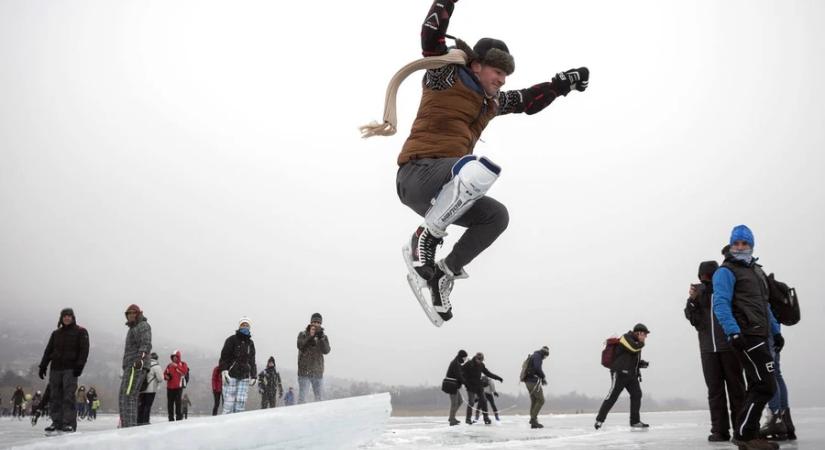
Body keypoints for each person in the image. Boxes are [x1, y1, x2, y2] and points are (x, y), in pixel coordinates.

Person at [374, 0, 588, 323]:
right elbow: (430, 37)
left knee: (497, 216)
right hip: (418, 174)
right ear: (478, 65)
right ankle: (425, 238)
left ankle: (445, 273)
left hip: (447, 193)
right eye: (498, 72)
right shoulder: (445, 75)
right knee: (476, 169)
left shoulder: (491, 103)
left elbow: (527, 101)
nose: (502, 80)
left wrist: (563, 84)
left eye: (506, 75)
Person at [713, 225, 783, 450]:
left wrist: (776, 331)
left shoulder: (756, 271)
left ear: (751, 245)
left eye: (745, 243)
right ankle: (744, 436)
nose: (740, 247)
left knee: (757, 384)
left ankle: (749, 434)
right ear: (731, 245)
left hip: (761, 334)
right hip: (745, 335)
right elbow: (720, 303)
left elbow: (765, 305)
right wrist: (732, 331)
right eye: (737, 243)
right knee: (765, 385)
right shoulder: (726, 271)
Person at [685, 260, 746, 442]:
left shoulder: (725, 289)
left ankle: (741, 428)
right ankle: (719, 430)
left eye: (709, 275)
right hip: (707, 349)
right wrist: (692, 302)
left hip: (729, 347)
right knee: (715, 391)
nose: (706, 279)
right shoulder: (698, 294)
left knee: (737, 389)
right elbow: (694, 320)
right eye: (703, 276)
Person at [38, 307, 89, 433]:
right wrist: (43, 365)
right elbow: (48, 350)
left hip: (70, 369)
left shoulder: (81, 331)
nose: (66, 317)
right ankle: (56, 422)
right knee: (55, 396)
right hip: (55, 368)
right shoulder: (56, 333)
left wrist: (79, 366)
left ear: (73, 317)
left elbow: (84, 351)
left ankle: (68, 423)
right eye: (64, 316)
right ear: (61, 318)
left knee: (68, 396)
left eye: (69, 315)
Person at [595, 324, 650, 430]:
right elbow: (633, 348)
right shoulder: (626, 338)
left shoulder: (637, 343)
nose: (645, 337)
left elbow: (629, 357)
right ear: (638, 333)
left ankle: (635, 421)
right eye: (644, 334)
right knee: (613, 396)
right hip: (619, 373)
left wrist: (641, 363)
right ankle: (599, 420)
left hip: (631, 374)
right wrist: (641, 343)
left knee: (637, 394)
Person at [119, 304, 152, 428]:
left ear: (138, 314)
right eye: (129, 313)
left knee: (128, 396)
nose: (131, 315)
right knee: (124, 396)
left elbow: (146, 344)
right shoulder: (133, 328)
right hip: (130, 366)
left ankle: (129, 427)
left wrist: (140, 359)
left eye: (134, 312)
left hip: (136, 365)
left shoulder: (142, 325)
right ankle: (126, 425)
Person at [760, 331, 795, 441]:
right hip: (774, 332)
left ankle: (775, 419)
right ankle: (785, 421)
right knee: (776, 374)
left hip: (764, 330)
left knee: (769, 374)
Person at [220, 317, 257, 414]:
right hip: (231, 375)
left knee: (241, 402)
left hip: (244, 376)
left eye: (247, 325)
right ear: (239, 326)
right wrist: (224, 370)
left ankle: (237, 424)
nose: (245, 326)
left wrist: (254, 375)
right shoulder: (231, 340)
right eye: (243, 325)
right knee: (229, 402)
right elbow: (224, 357)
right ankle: (226, 423)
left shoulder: (250, 343)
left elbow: (252, 360)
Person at [297, 313, 330, 403]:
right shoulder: (303, 334)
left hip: (317, 372)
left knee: (319, 399)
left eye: (318, 323)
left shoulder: (323, 337)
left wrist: (321, 339)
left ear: (321, 324)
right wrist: (310, 337)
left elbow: (326, 351)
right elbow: (301, 346)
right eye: (314, 322)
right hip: (304, 372)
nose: (316, 324)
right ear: (311, 322)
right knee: (302, 399)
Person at [461, 352, 502, 425]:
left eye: (482, 360)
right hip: (470, 386)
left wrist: (497, 378)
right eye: (479, 360)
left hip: (479, 386)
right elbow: (461, 373)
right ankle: (468, 419)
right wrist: (464, 383)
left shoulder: (481, 365)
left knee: (484, 401)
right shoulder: (469, 364)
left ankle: (486, 418)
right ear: (476, 358)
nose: (480, 361)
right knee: (471, 402)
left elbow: (488, 373)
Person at [523, 346, 550, 428]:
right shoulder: (538, 357)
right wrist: (543, 377)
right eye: (546, 356)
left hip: (527, 381)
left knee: (534, 400)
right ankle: (533, 419)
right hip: (533, 381)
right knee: (541, 400)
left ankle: (533, 421)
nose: (545, 358)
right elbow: (537, 368)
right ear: (544, 354)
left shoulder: (534, 355)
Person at [164, 350, 190, 421]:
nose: (174, 358)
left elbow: (184, 372)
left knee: (178, 403)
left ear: (179, 357)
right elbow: (165, 373)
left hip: (178, 387)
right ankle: (170, 418)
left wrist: (177, 366)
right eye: (173, 357)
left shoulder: (183, 364)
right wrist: (166, 376)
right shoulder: (169, 365)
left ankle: (179, 418)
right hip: (169, 387)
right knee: (170, 404)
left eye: (176, 357)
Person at [443, 349, 467, 426]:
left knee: (460, 401)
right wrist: (466, 383)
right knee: (454, 403)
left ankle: (451, 417)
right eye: (464, 358)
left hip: (454, 385)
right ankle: (452, 420)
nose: (465, 359)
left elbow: (461, 375)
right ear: (461, 357)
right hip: (451, 385)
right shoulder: (455, 363)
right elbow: (459, 376)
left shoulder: (458, 363)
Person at [138, 352, 163, 425]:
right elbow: (160, 379)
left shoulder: (144, 365)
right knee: (147, 406)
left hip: (141, 389)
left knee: (141, 405)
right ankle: (145, 421)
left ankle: (139, 421)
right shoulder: (156, 366)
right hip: (151, 390)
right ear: (156, 358)